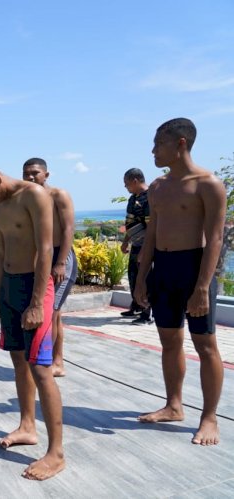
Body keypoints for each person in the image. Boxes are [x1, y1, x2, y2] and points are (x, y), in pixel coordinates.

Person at [0, 158, 64, 480]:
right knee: (19, 361)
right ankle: (27, 426)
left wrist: (36, 302)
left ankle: (56, 453)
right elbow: (3, 251)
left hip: (36, 287)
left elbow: (46, 249)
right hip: (11, 289)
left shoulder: (34, 195)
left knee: (41, 368)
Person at [134, 118, 226, 446]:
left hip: (195, 268)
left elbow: (216, 238)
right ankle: (174, 405)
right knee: (170, 342)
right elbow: (152, 235)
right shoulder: (157, 187)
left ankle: (209, 417)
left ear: (180, 143)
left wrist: (203, 286)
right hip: (164, 268)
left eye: (159, 144)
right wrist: (142, 278)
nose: (153, 150)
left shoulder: (208, 184)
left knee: (205, 345)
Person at [22, 158, 78, 377]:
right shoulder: (29, 198)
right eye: (26, 173)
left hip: (60, 257)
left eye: (35, 173)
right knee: (55, 314)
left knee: (50, 312)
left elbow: (68, 229)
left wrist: (61, 262)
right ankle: (56, 360)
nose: (30, 177)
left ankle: (47, 362)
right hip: (42, 257)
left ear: (46, 174)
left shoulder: (58, 195)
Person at [120, 168, 153, 325]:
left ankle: (147, 313)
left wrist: (145, 251)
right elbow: (130, 222)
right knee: (133, 275)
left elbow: (151, 227)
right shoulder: (133, 198)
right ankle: (136, 305)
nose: (126, 187)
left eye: (127, 184)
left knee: (145, 278)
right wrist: (126, 240)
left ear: (135, 181)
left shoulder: (150, 197)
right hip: (136, 244)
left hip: (145, 246)